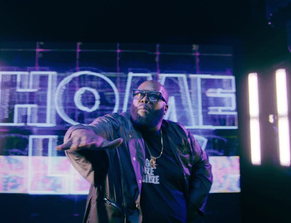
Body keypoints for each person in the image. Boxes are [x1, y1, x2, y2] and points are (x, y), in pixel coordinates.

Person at [57, 80, 213, 223]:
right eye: (139, 94)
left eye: (153, 96)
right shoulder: (116, 126)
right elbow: (92, 128)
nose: (144, 99)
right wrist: (78, 132)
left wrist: (192, 208)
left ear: (165, 108)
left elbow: (203, 164)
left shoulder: (179, 134)